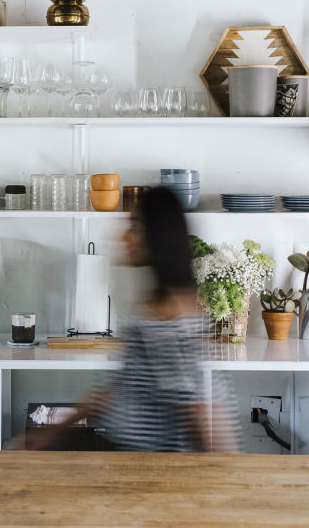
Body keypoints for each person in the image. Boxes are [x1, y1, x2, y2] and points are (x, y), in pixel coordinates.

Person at [30, 186, 237, 453]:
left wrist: (225, 478)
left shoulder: (169, 318)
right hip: (136, 462)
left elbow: (199, 413)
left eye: (135, 227)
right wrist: (55, 430)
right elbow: (126, 389)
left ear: (158, 237)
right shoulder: (155, 309)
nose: (124, 236)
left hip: (157, 471)